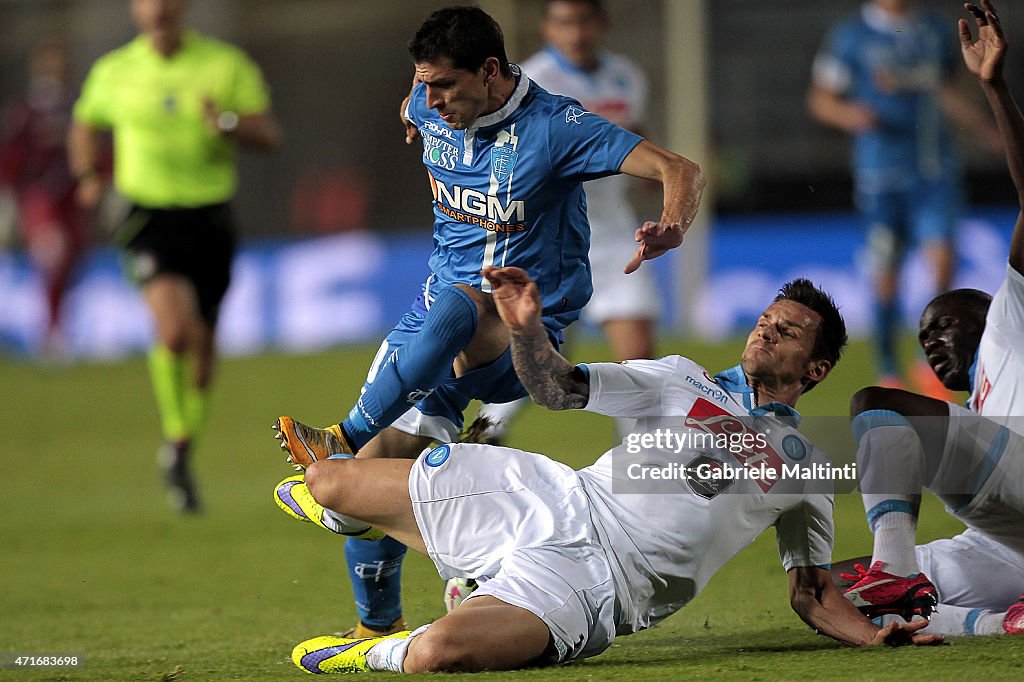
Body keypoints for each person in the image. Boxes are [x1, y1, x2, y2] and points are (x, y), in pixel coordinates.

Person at [273, 266, 948, 674]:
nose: (766, 332)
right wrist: (528, 332)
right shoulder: (680, 378)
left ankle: (378, 646)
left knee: (434, 656)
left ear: (817, 370)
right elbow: (557, 389)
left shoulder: (805, 469)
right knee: (329, 480)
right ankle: (379, 527)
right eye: (767, 320)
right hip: (552, 499)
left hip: (601, 584)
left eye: (788, 332)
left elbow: (810, 591)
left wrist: (870, 638)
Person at [271, 5, 705, 638]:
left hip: (522, 338)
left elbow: (679, 169)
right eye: (423, 85)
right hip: (431, 336)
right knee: (374, 486)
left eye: (445, 85)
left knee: (464, 306)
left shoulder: (557, 127)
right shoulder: (428, 105)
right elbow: (416, 102)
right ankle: (377, 631)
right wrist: (415, 103)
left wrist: (671, 225)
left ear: (491, 71)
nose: (431, 99)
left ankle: (341, 433)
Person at [834, 0, 1024, 637]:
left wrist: (994, 89)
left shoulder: (1012, 319)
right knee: (830, 590)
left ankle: (896, 567)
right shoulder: (986, 401)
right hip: (1005, 542)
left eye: (945, 324)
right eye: (923, 336)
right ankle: (998, 626)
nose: (935, 341)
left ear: (990, 312)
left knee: (875, 402)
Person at [69, 0, 280, 512]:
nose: (158, 7)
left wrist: (227, 123)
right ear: (136, 9)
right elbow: (84, 123)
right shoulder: (114, 70)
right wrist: (88, 176)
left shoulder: (224, 65)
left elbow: (268, 134)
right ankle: (175, 432)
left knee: (203, 356)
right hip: (147, 216)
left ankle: (180, 448)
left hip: (209, 218)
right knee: (173, 331)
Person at [475, 0, 660, 443]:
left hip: (615, 237)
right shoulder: (528, 80)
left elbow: (634, 133)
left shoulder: (627, 77)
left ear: (600, 23)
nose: (575, 32)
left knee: (639, 366)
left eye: (583, 21)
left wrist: (656, 174)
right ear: (547, 28)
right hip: (550, 242)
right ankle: (479, 444)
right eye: (564, 23)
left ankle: (640, 474)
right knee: (529, 368)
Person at [808, 0, 1000, 391]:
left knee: (942, 262)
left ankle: (928, 363)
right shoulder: (851, 36)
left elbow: (946, 91)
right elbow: (821, 99)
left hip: (934, 170)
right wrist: (852, 116)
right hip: (881, 176)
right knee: (886, 277)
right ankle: (888, 370)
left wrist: (987, 129)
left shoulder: (933, 28)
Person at [0, 39, 87, 358]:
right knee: (55, 254)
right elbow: (11, 155)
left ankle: (58, 327)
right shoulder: (28, 110)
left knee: (72, 262)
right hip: (40, 199)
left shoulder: (78, 107)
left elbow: (97, 148)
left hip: (72, 199)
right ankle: (51, 335)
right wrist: (8, 196)